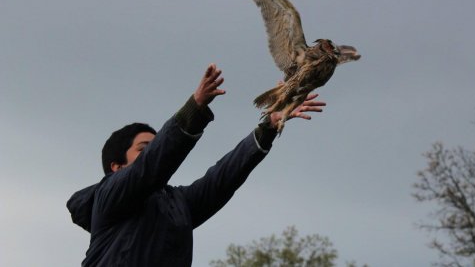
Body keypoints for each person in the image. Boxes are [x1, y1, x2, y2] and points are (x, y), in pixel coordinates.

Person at [66, 63, 325, 266]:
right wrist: (195, 109)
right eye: (144, 150)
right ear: (116, 167)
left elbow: (221, 180)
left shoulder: (178, 205)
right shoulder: (108, 195)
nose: (153, 153)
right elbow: (153, 164)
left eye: (154, 147)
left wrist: (267, 127)